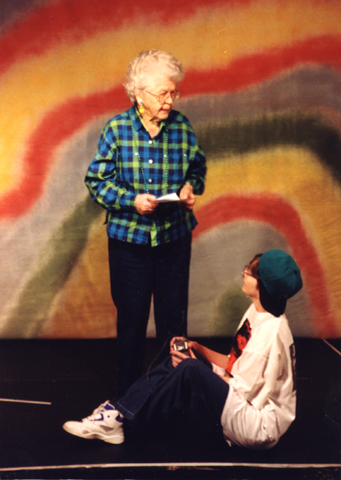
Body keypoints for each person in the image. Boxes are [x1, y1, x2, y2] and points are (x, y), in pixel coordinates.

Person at [63, 249, 303, 450]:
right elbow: (234, 364)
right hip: (243, 403)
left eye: (248, 272)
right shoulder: (258, 312)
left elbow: (243, 391)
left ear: (263, 286)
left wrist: (200, 368)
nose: (243, 273)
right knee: (185, 356)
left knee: (190, 368)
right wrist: (197, 348)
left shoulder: (269, 335)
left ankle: (121, 421)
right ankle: (119, 412)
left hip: (256, 425)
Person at [84, 50, 206, 396]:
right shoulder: (117, 129)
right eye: (162, 93)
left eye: (173, 93)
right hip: (129, 244)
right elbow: (96, 181)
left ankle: (171, 398)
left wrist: (188, 188)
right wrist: (131, 201)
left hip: (174, 240)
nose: (170, 100)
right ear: (138, 93)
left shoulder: (182, 127)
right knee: (132, 325)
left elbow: (197, 170)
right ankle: (127, 401)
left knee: (173, 327)